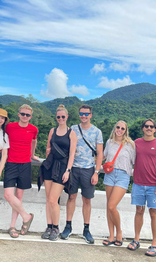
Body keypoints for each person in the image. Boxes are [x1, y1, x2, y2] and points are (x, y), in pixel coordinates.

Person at [60, 104, 103, 244]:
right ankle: (68, 226)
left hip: (88, 169)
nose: (83, 116)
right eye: (81, 113)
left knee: (87, 200)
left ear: (91, 115)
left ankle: (86, 229)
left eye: (86, 114)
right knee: (71, 197)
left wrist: (96, 172)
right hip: (73, 168)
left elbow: (100, 154)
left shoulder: (97, 132)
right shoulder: (73, 129)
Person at [127, 118, 156, 257]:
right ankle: (136, 239)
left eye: (151, 126)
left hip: (153, 186)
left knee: (153, 213)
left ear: (155, 129)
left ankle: (154, 244)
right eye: (146, 126)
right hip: (138, 183)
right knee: (138, 211)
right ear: (142, 128)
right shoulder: (136, 143)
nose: (148, 128)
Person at [39, 105, 77, 241]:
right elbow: (48, 147)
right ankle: (49, 226)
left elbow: (72, 154)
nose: (60, 119)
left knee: (53, 199)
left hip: (62, 167)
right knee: (48, 199)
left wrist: (68, 170)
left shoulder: (71, 133)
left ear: (67, 117)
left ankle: (55, 227)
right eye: (58, 117)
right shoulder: (52, 131)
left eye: (63, 117)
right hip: (50, 166)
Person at [4, 104, 39, 238]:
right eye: (23, 114)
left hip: (25, 164)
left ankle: (13, 226)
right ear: (19, 114)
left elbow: (33, 142)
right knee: (8, 195)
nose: (25, 117)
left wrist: (32, 154)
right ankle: (27, 216)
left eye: (28, 115)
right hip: (11, 163)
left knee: (18, 197)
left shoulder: (33, 129)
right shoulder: (10, 127)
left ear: (31, 116)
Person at [102, 121, 136, 247]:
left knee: (112, 206)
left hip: (123, 175)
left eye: (123, 128)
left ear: (125, 130)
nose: (120, 130)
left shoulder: (130, 145)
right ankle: (111, 235)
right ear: (114, 128)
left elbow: (135, 162)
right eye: (118, 127)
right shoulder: (109, 142)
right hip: (109, 174)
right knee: (108, 207)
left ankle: (119, 232)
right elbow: (103, 156)